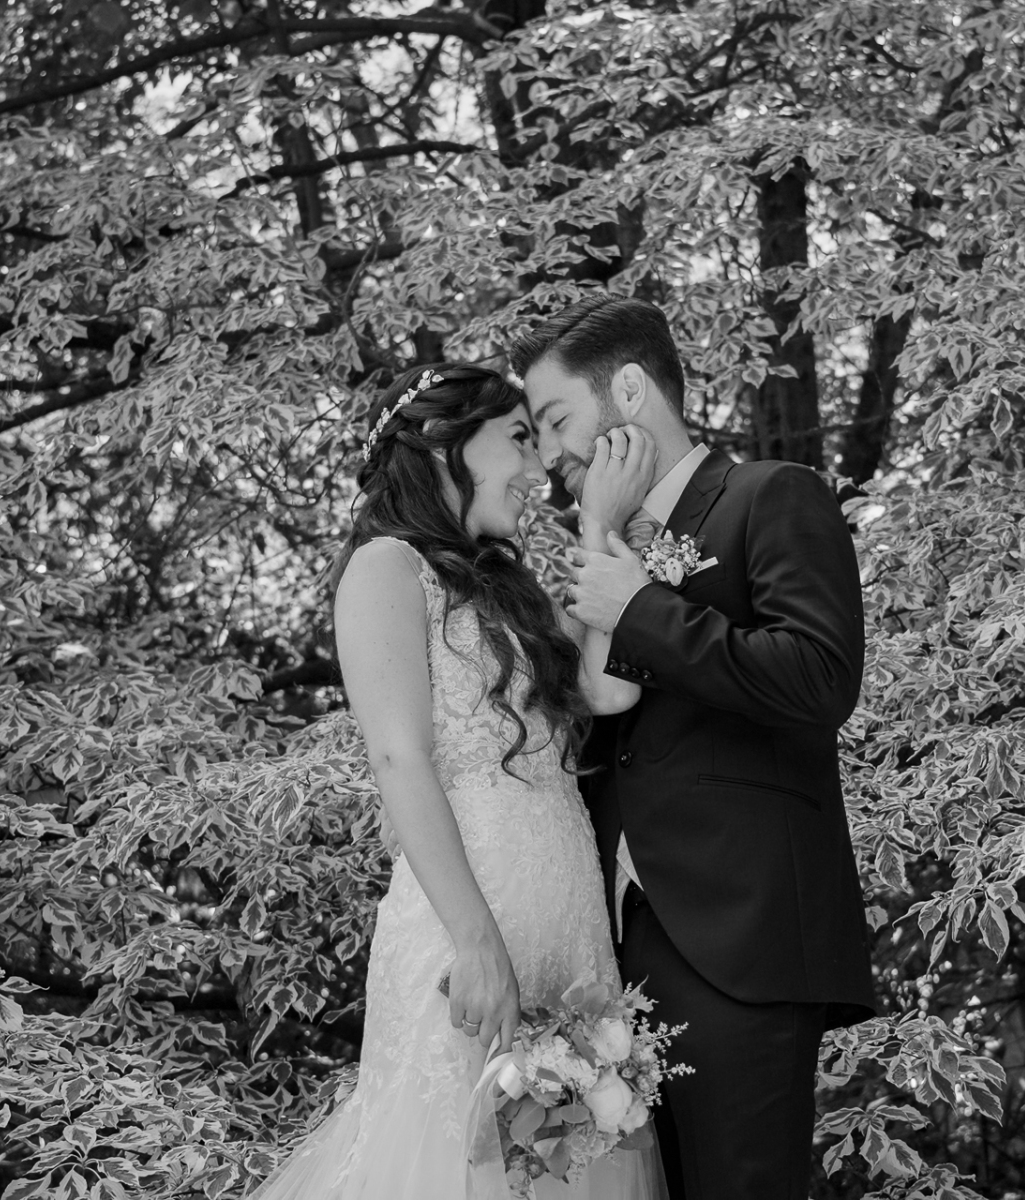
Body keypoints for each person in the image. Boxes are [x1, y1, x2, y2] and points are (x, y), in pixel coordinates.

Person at [248, 363, 665, 1200]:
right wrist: (478, 943)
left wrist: (598, 525)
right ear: (446, 442)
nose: (538, 468)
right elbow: (399, 759)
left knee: (563, 1173)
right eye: (518, 438)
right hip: (466, 927)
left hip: (568, 927)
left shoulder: (507, 588)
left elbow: (609, 690)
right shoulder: (385, 569)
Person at [511, 296, 877, 1200]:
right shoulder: (593, 549)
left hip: (741, 934)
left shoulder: (771, 496)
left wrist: (641, 608)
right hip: (609, 957)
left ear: (630, 391)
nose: (548, 454)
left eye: (556, 419)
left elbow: (819, 679)